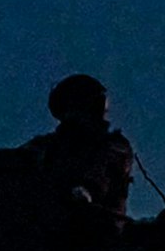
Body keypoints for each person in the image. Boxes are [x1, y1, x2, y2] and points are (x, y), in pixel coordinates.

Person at [23, 73, 134, 215]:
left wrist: (84, 192)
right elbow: (20, 160)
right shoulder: (47, 144)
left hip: (96, 226)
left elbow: (100, 174)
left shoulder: (114, 146)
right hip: (46, 220)